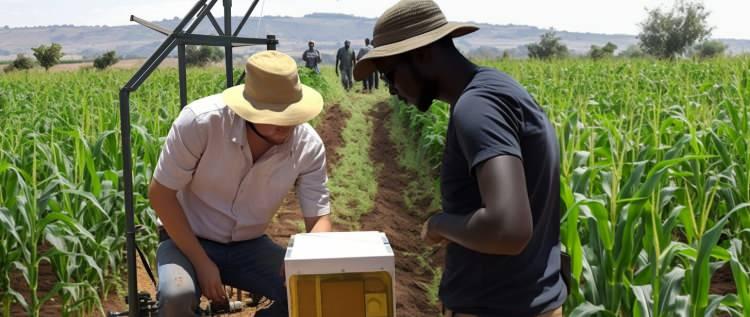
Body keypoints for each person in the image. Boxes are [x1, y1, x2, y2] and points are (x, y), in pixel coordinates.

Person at [353, 1, 567, 316]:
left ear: (423, 54)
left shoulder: (476, 108)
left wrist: (439, 224)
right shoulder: (498, 90)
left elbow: (508, 229)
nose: (392, 91)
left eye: (389, 75)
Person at [149, 50, 332, 317]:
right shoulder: (201, 123)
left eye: (290, 115)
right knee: (177, 297)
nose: (285, 125)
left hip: (249, 244)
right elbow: (160, 195)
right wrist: (201, 262)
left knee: (310, 291)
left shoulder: (308, 145)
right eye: (274, 114)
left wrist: (303, 257)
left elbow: (319, 218)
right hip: (188, 239)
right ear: (249, 109)